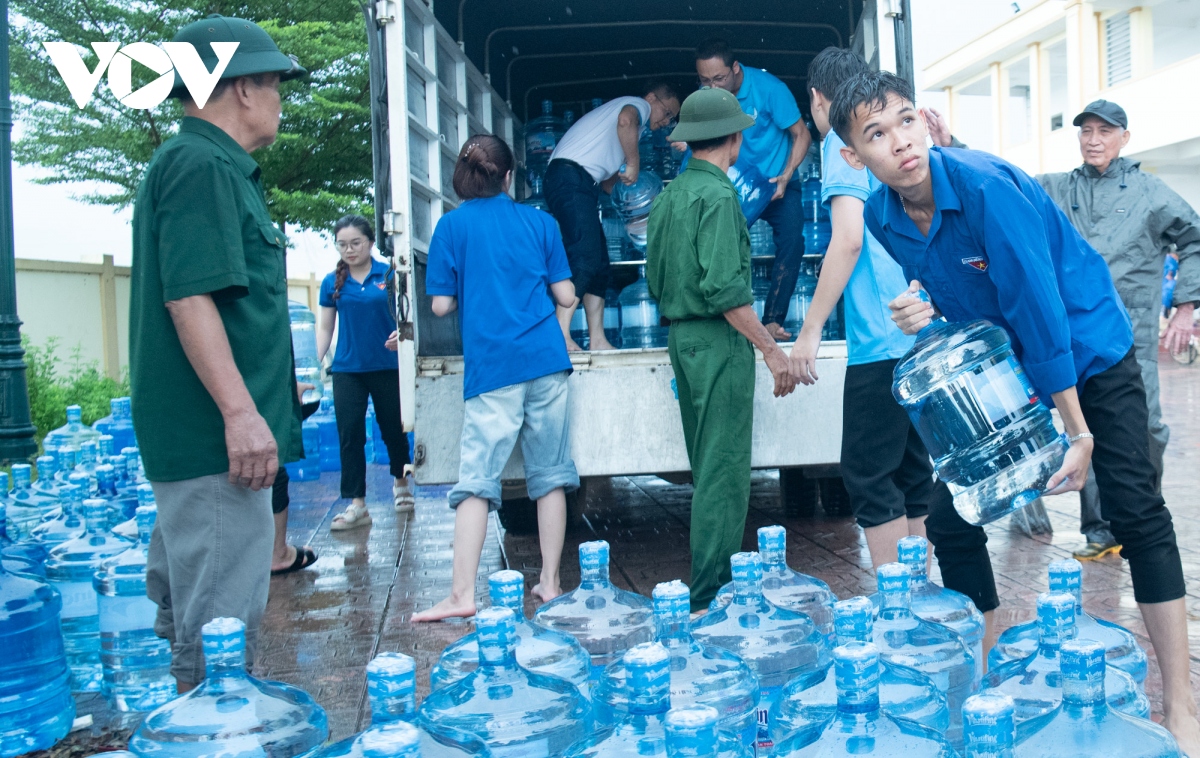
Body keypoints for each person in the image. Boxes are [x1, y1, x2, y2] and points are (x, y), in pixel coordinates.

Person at [830, 70, 1200, 752]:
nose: (901, 143)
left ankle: (1181, 704)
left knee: (1135, 508)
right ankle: (992, 662)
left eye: (906, 121)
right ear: (854, 158)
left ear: (924, 120)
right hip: (1015, 361)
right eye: (876, 135)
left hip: (1089, 345)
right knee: (950, 518)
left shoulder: (986, 188)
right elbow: (971, 298)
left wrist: (1077, 432)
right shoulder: (883, 217)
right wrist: (926, 309)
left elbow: (1039, 306)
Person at [130, 15, 306, 690]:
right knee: (219, 641)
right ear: (242, 89)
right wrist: (240, 414)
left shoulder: (208, 165)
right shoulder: (200, 163)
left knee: (202, 623)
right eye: (275, 87)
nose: (279, 103)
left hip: (208, 448)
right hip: (213, 449)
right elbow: (191, 298)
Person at [412, 135, 580, 621]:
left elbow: (441, 304)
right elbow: (566, 296)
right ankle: (550, 583)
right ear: (509, 177)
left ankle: (461, 594)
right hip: (546, 362)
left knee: (478, 481)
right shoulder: (540, 222)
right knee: (550, 475)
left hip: (494, 368)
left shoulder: (451, 227)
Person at [646, 88, 796, 612]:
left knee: (705, 464)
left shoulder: (669, 196)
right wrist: (770, 351)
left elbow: (655, 280)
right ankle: (712, 595)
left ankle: (710, 586)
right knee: (724, 472)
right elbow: (728, 292)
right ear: (733, 138)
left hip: (682, 339)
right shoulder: (720, 196)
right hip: (717, 340)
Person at [1037, 100, 1200, 561]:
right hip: (1076, 335)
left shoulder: (1150, 192)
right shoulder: (1059, 187)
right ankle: (1102, 530)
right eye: (1086, 131)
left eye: (1104, 131)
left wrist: (1186, 305)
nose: (1093, 139)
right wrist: (952, 146)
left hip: (1134, 334)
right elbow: (1002, 188)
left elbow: (1195, 237)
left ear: (1123, 138)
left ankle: (1141, 517)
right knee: (1087, 428)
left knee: (1145, 426)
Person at [543, 83, 681, 351]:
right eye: (666, 113)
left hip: (580, 182)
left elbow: (607, 184)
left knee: (600, 264)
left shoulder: (631, 133)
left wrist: (633, 199)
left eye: (670, 120)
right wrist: (634, 163)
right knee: (585, 257)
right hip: (569, 178)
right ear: (651, 97)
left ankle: (597, 339)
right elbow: (625, 119)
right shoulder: (635, 107)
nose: (665, 122)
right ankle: (558, 332)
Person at [694, 38, 814, 341]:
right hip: (739, 186)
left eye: (719, 78)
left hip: (779, 183)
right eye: (705, 81)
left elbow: (802, 135)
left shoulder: (769, 89)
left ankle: (773, 320)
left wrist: (787, 175)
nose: (713, 87)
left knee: (792, 241)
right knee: (721, 244)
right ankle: (725, 319)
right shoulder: (706, 98)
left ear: (736, 69)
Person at [316, 215, 413, 530]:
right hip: (347, 369)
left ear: (371, 242)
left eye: (355, 243)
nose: (349, 249)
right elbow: (325, 328)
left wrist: (404, 335)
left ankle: (401, 483)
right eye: (342, 244)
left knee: (392, 429)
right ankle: (357, 504)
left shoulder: (389, 273)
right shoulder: (332, 281)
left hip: (387, 365)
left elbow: (408, 316)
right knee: (350, 435)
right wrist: (312, 363)